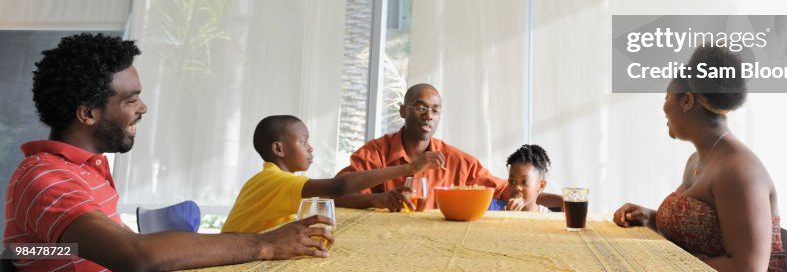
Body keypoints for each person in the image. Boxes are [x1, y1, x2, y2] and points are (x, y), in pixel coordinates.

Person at [3, 33, 334, 272]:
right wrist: (267, 244)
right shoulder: (47, 178)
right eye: (130, 100)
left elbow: (72, 252)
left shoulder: (86, 168)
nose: (143, 108)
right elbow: (133, 256)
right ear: (88, 113)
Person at [613, 46, 786, 272]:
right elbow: (700, 231)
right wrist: (649, 218)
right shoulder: (697, 160)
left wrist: (666, 267)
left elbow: (748, 268)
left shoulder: (738, 172)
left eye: (667, 96)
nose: (664, 107)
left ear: (686, 101)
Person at [335, 84, 561, 211]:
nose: (428, 115)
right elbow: (338, 194)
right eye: (420, 107)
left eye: (435, 110)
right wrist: (377, 199)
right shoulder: (374, 153)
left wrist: (563, 203)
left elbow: (506, 189)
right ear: (403, 111)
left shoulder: (456, 161)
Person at [222, 115, 444, 232]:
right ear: (279, 149)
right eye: (303, 141)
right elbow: (339, 186)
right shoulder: (274, 179)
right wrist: (410, 168)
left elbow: (333, 199)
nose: (310, 147)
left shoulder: (281, 181)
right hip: (236, 257)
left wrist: (377, 198)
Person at [493, 144, 551, 212]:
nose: (517, 187)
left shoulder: (548, 216)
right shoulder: (502, 214)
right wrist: (507, 217)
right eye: (512, 182)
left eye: (524, 182)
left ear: (541, 186)